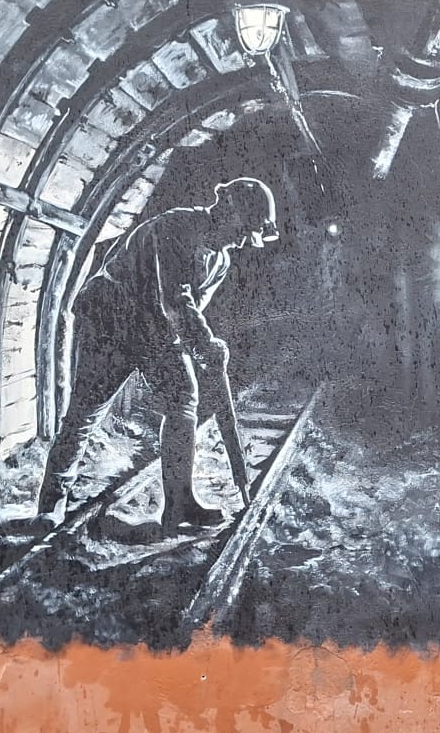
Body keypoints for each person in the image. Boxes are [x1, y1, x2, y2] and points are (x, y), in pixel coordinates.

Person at [36, 177, 279, 529]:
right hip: (111, 320)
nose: (243, 241)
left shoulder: (220, 260)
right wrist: (205, 343)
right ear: (227, 209)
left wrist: (205, 347)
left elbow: (188, 310)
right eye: (244, 229)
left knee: (184, 397)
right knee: (86, 411)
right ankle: (50, 505)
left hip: (154, 328)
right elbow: (176, 300)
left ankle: (179, 504)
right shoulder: (178, 227)